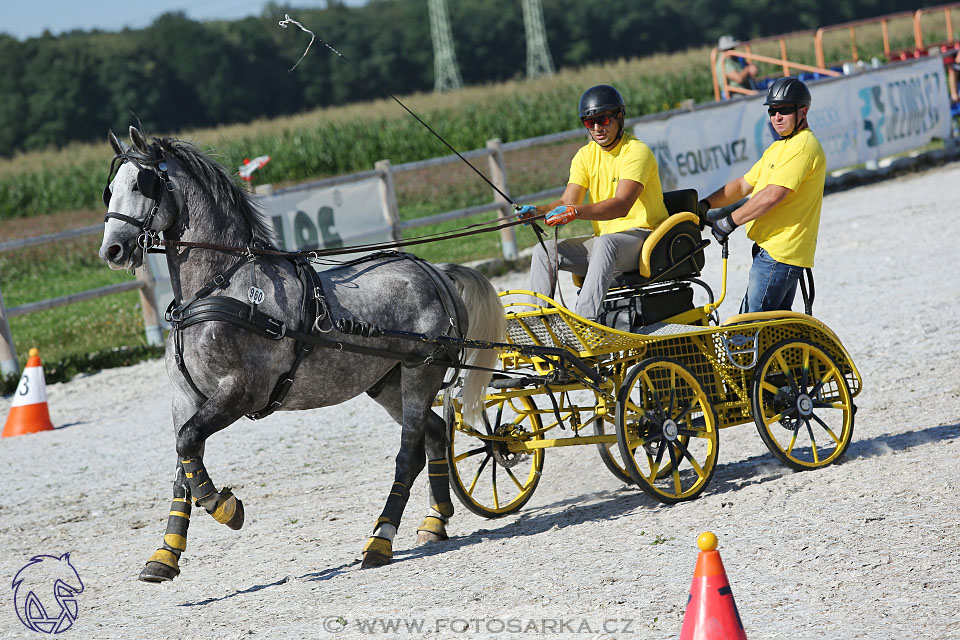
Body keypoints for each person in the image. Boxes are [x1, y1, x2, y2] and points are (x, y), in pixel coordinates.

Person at [517, 84, 668, 321]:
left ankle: (584, 322)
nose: (596, 128)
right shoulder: (585, 156)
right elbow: (568, 201)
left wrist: (575, 212)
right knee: (545, 251)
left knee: (605, 243)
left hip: (645, 239)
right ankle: (535, 321)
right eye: (589, 123)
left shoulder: (637, 151)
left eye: (602, 120)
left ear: (619, 117)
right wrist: (537, 211)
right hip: (605, 247)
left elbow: (621, 205)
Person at [698, 77, 825, 314]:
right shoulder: (779, 147)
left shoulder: (804, 146)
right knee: (771, 328)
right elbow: (742, 185)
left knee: (748, 326)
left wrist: (729, 222)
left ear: (803, 112)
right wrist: (705, 205)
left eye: (784, 110)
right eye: (772, 110)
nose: (776, 117)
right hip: (770, 251)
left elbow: (772, 196)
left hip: (780, 253)